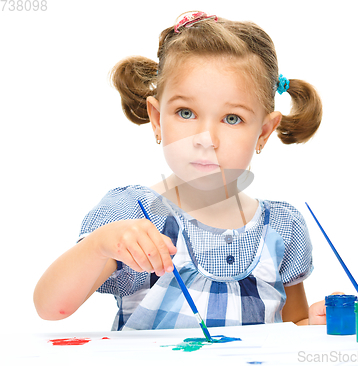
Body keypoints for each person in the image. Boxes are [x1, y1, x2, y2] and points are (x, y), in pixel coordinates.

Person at [34, 11, 333, 331]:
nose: (206, 139)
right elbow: (52, 307)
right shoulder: (131, 217)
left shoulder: (282, 229)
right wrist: (100, 245)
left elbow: (291, 326)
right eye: (186, 112)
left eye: (232, 118)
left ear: (263, 131)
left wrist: (313, 323)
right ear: (157, 118)